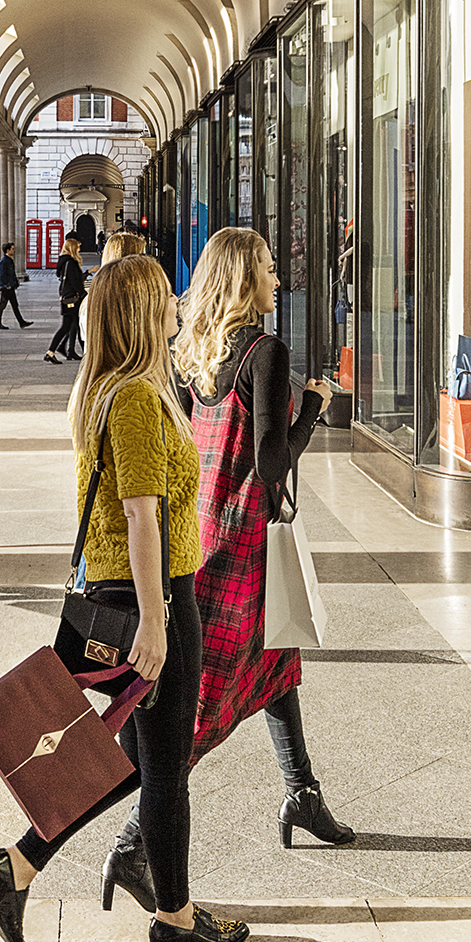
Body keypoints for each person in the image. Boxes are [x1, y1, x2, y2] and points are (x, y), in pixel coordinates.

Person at [0, 254, 246, 942]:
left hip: (128, 589)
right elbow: (140, 514)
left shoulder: (116, 389)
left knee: (129, 763)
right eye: (166, 301)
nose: (177, 309)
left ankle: (21, 863)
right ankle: (174, 917)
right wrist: (156, 621)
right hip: (146, 595)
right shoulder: (129, 397)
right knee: (163, 769)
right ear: (141, 314)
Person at [173, 225, 352, 848]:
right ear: (248, 279)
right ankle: (134, 842)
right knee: (202, 706)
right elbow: (271, 464)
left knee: (277, 660)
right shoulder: (266, 354)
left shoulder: (198, 355)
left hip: (203, 530)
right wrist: (314, 409)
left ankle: (302, 792)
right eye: (271, 270)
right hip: (246, 540)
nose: (280, 279)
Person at [44, 238, 86, 362]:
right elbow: (74, 282)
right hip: (72, 299)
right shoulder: (71, 263)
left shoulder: (64, 261)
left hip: (67, 297)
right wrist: (84, 294)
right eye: (77, 246)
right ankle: (52, 352)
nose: (79, 247)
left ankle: (61, 349)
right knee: (68, 326)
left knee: (72, 325)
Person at [0, 241, 30, 329]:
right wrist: (7, 285)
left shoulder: (9, 260)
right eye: (12, 249)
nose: (14, 251)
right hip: (7, 287)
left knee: (14, 305)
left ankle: (21, 322)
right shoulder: (4, 261)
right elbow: (2, 274)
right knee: (2, 305)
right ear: (8, 250)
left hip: (10, 286)